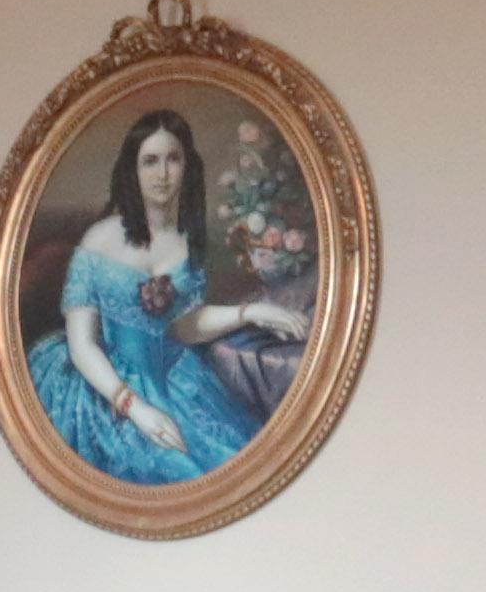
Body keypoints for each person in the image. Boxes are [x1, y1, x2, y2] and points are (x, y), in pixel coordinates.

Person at [29, 110, 307, 489]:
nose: (162, 174)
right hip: (104, 385)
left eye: (173, 160)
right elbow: (81, 345)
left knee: (229, 466)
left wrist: (249, 311)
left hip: (174, 381)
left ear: (187, 166)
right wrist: (134, 407)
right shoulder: (99, 240)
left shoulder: (184, 242)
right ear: (133, 169)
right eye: (150, 161)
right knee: (175, 472)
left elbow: (184, 327)